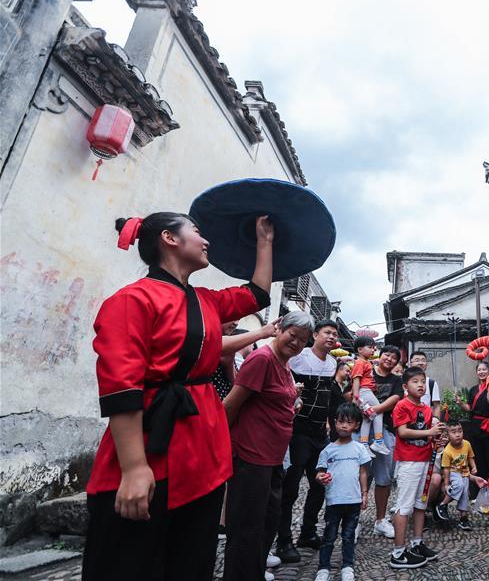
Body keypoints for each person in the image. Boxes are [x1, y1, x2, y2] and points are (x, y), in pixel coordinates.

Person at [82, 212, 272, 581]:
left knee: (191, 560)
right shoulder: (132, 299)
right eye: (197, 232)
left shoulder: (206, 301)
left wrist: (264, 240)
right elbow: (122, 386)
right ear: (170, 238)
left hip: (204, 449)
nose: (206, 241)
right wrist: (135, 468)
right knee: (132, 562)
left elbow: (257, 293)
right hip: (154, 442)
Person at [221, 311, 310, 581]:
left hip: (272, 458)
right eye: (292, 336)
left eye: (302, 341)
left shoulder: (284, 364)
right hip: (250, 456)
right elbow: (230, 406)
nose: (296, 343)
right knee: (246, 529)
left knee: (266, 524)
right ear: (280, 329)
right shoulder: (262, 359)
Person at [275, 319, 340, 562]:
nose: (331, 337)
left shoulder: (333, 363)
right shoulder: (298, 358)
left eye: (334, 334)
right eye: (327, 333)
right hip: (297, 430)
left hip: (319, 434)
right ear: (314, 335)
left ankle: (308, 532)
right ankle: (283, 540)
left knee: (320, 484)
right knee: (290, 489)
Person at [390, 367, 445, 569]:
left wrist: (437, 440)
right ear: (405, 386)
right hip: (409, 462)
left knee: (421, 504)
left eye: (423, 381)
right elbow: (403, 432)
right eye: (415, 381)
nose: (420, 385)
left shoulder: (427, 409)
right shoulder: (401, 406)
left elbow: (429, 436)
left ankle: (417, 543)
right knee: (403, 505)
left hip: (425, 461)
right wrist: (429, 431)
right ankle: (398, 553)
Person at [314, 402, 370, 581]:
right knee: (329, 536)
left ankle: (347, 566)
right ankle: (323, 568)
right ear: (335, 422)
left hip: (353, 501)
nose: (344, 425)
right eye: (340, 421)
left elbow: (363, 472)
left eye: (349, 422)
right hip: (334, 501)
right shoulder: (328, 450)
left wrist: (365, 493)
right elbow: (319, 473)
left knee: (349, 536)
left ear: (357, 425)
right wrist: (320, 478)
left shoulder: (360, 449)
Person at [456, 361, 489, 510]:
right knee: (478, 460)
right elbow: (469, 409)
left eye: (484, 369)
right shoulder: (473, 390)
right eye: (479, 369)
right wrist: (460, 403)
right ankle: (480, 493)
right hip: (476, 427)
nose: (482, 372)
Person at [368, 345, 405, 538]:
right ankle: (353, 521)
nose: (389, 359)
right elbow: (350, 393)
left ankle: (380, 520)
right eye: (387, 355)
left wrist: (375, 409)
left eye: (394, 357)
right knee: (360, 476)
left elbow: (396, 398)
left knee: (384, 478)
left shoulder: (397, 381)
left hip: (386, 432)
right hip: (363, 431)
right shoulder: (366, 372)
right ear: (380, 356)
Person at [435, 420, 487, 530]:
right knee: (459, 485)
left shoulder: (467, 444)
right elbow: (446, 469)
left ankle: (464, 519)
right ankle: (442, 505)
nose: (457, 434)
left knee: (465, 494)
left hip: (465, 473)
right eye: (453, 432)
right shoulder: (447, 451)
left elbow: (470, 457)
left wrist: (474, 467)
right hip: (453, 472)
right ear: (447, 435)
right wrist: (446, 484)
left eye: (460, 431)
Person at [351, 337, 390, 455]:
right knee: (378, 411)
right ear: (360, 349)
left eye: (374, 348)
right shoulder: (360, 362)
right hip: (365, 392)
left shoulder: (365, 362)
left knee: (368, 417)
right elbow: (356, 379)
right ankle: (378, 441)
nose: (373, 350)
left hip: (365, 392)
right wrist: (356, 396)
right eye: (370, 347)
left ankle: (364, 444)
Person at [408, 351, 441, 418]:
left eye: (423, 360)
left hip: (425, 421)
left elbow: (436, 406)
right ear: (410, 364)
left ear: (426, 364)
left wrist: (435, 420)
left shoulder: (431, 383)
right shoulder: (404, 381)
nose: (420, 363)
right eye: (417, 360)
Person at [327, 361, 353, 442]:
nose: (349, 373)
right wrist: (326, 422)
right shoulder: (331, 385)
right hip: (331, 421)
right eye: (347, 371)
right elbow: (326, 404)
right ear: (340, 370)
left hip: (340, 422)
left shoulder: (344, 387)